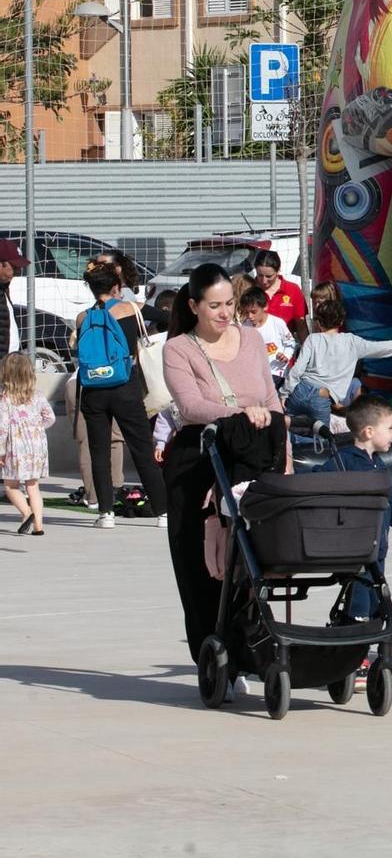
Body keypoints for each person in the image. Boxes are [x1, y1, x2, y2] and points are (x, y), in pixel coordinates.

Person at [161, 263, 287, 669]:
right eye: (214, 305)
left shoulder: (251, 340)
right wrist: (240, 413)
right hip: (199, 461)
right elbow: (191, 406)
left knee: (254, 561)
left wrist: (283, 458)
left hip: (251, 459)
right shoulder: (178, 348)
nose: (224, 313)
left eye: (230, 303)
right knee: (202, 566)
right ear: (194, 305)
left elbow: (271, 398)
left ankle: (254, 650)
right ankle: (213, 656)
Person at [308, 395, 392, 620]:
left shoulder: (382, 469)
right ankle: (355, 646)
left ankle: (369, 643)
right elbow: (316, 481)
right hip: (355, 550)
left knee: (377, 606)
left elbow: (391, 506)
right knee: (360, 605)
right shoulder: (344, 462)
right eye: (390, 428)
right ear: (369, 432)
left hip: (377, 552)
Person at [74, 261, 169, 530]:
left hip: (92, 390)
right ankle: (162, 510)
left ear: (92, 289)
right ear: (116, 287)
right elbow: (168, 318)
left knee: (99, 452)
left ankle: (105, 513)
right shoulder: (131, 309)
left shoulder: (83, 318)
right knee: (141, 448)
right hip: (125, 386)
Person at [284, 284, 392, 426]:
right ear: (341, 321)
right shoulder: (352, 342)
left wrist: (284, 393)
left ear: (318, 322)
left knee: (289, 432)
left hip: (301, 390)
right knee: (321, 440)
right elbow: (382, 348)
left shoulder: (313, 339)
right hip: (323, 397)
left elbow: (297, 370)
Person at [1, 351, 54, 535]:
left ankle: (27, 512)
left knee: (10, 485)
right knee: (33, 486)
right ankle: (38, 526)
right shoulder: (37, 395)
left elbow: (2, 427)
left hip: (15, 447)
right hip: (37, 446)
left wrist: (0, 451)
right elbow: (50, 418)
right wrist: (36, 429)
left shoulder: (5, 398)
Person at [238, 288, 297, 387]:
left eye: (253, 312)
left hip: (276, 372)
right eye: (246, 312)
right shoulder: (245, 327)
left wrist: (285, 355)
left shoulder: (277, 323)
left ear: (264, 307)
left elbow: (290, 343)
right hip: (255, 374)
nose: (250, 316)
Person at [250, 249, 308, 341]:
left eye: (269, 276)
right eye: (260, 275)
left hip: (285, 351)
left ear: (278, 270)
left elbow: (301, 326)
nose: (264, 281)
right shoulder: (249, 290)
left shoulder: (292, 290)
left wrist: (307, 351)